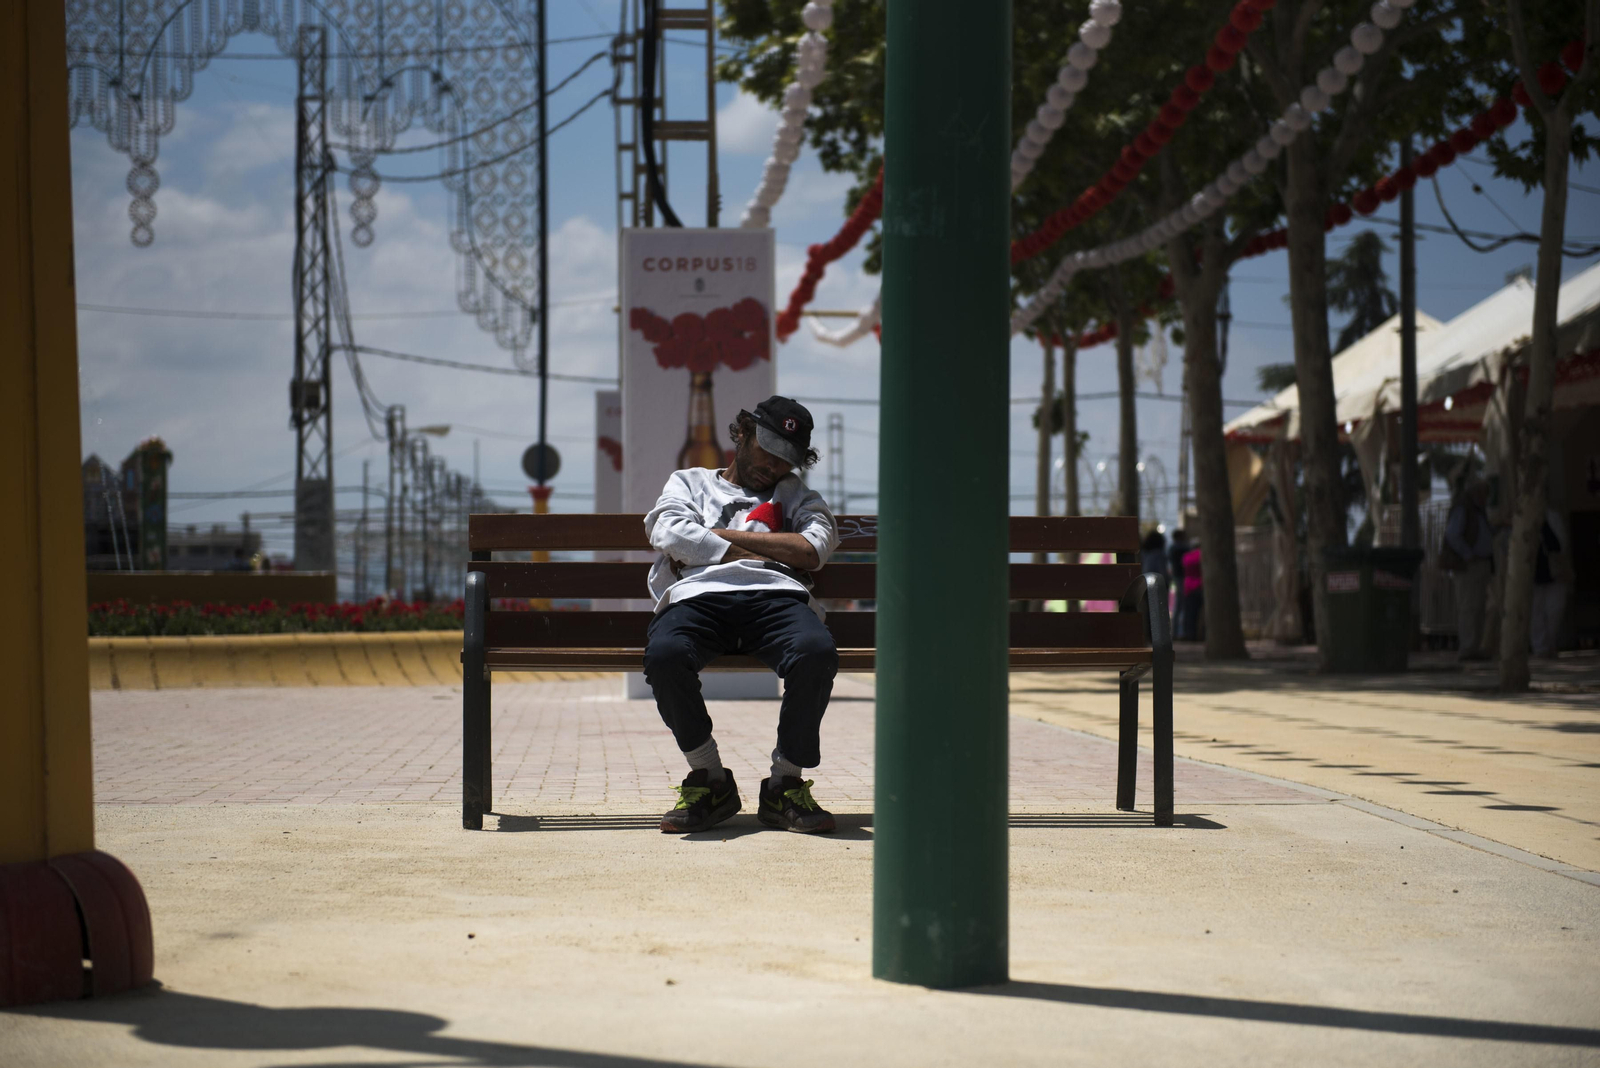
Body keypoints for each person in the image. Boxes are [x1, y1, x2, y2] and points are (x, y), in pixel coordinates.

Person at [642, 396, 841, 835]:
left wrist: (710, 539)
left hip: (777, 598)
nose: (773, 465)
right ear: (743, 433)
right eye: (767, 450)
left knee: (815, 651)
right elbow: (667, 531)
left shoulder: (799, 496)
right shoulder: (690, 482)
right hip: (699, 597)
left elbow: (813, 549)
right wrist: (770, 550)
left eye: (785, 458)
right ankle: (709, 778)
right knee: (665, 655)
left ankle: (785, 784)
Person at [1444, 479, 1494, 661]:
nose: (1485, 498)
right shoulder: (1463, 508)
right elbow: (1452, 535)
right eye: (1482, 493)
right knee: (1468, 607)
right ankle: (1467, 648)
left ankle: (1474, 647)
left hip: (1480, 563)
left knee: (1478, 607)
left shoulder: (1478, 511)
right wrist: (1468, 554)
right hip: (1469, 566)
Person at [1531, 508, 1572, 659]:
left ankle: (1550, 643)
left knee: (1555, 608)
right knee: (1536, 610)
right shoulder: (1525, 518)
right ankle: (1540, 648)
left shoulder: (1552, 516)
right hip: (1534, 571)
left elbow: (1561, 544)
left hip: (1554, 569)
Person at [1166, 528, 1190, 637]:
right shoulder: (1181, 548)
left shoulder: (1172, 548)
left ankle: (1176, 631)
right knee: (1182, 604)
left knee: (1178, 604)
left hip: (1177, 576)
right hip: (1182, 577)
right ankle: (1180, 631)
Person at [1181, 541, 1204, 642]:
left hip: (1189, 586)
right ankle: (1202, 635)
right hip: (1200, 585)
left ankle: (1190, 634)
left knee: (1190, 613)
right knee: (1202, 613)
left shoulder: (1186, 557)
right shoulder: (1201, 555)